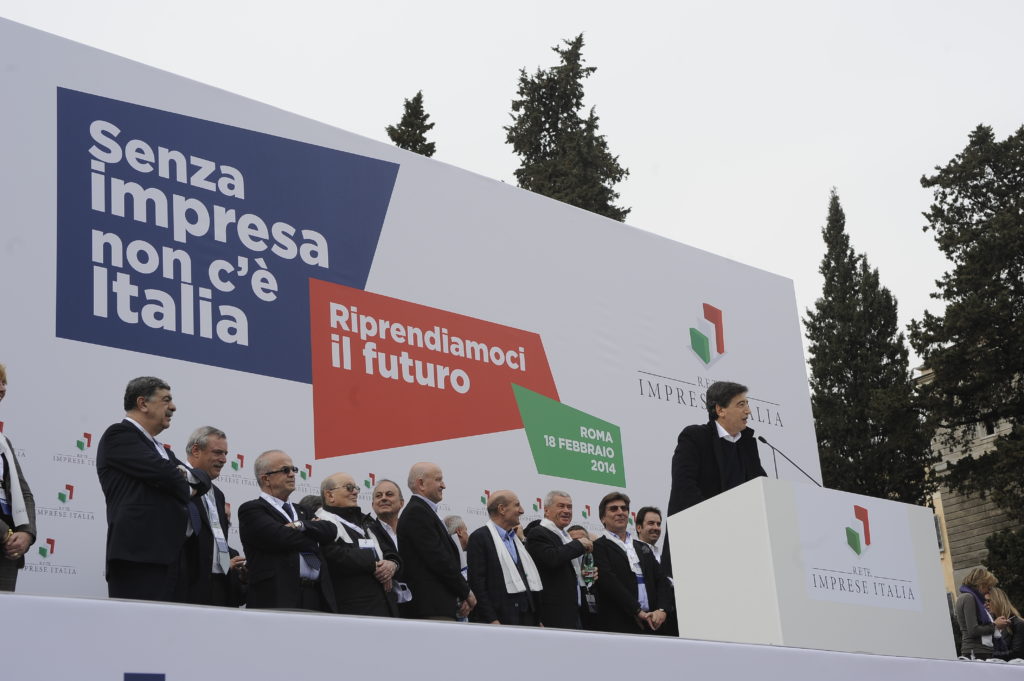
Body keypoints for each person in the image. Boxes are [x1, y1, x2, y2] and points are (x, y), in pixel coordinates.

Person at [97, 376, 211, 602]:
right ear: (143, 403)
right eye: (166, 400)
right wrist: (183, 482)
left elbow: (203, 478)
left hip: (173, 558)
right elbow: (166, 474)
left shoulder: (161, 450)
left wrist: (183, 476)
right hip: (140, 558)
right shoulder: (119, 435)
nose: (173, 407)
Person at [665, 381, 767, 575]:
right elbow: (684, 487)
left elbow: (760, 487)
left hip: (741, 547)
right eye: (741, 405)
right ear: (720, 410)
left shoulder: (748, 445)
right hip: (698, 542)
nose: (749, 411)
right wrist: (717, 521)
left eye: (747, 404)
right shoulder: (694, 437)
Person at [238, 450, 338, 612]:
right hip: (277, 597)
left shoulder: (303, 511)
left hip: (315, 595)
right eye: (285, 470)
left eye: (293, 469)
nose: (292, 474)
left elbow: (330, 531)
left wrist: (299, 525)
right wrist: (312, 534)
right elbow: (280, 537)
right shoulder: (252, 510)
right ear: (266, 478)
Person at [396, 462, 475, 620]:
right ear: (421, 484)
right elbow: (439, 560)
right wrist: (465, 592)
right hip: (430, 610)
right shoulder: (417, 513)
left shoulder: (424, 512)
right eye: (439, 480)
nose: (443, 485)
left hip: (439, 607)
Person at [316, 472, 401, 617]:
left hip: (387, 609)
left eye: (356, 487)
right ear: (330, 495)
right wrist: (374, 563)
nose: (355, 492)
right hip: (353, 611)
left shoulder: (365, 521)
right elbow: (335, 556)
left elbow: (390, 552)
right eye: (349, 488)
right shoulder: (322, 523)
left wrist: (392, 565)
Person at [181, 426, 246, 606]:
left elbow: (218, 539)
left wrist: (225, 563)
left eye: (225, 453)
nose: (224, 460)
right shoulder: (176, 482)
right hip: (186, 586)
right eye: (218, 452)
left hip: (219, 587)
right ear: (196, 450)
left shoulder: (217, 494)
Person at [592, 492, 673, 635]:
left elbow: (662, 581)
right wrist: (636, 611)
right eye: (613, 509)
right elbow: (610, 583)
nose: (620, 512)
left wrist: (662, 610)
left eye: (624, 508)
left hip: (653, 623)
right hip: (619, 624)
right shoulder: (598, 547)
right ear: (603, 518)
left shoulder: (642, 547)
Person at [466, 490, 542, 625]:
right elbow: (477, 583)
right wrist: (491, 619)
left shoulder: (515, 540)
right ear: (502, 509)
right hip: (501, 619)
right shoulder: (480, 537)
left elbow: (526, 579)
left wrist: (537, 620)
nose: (522, 511)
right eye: (517, 505)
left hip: (527, 618)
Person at [525, 490, 592, 629]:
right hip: (552, 614)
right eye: (561, 506)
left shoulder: (565, 536)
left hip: (575, 612)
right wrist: (579, 544)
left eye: (569, 507)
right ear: (547, 510)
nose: (567, 510)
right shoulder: (538, 533)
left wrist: (586, 574)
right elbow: (552, 558)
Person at [0, 363, 36, 592]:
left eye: (4, 382)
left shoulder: (3, 442)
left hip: (7, 552)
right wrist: (5, 533)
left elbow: (24, 493)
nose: (2, 388)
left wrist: (26, 533)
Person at [955, 567, 1009, 659]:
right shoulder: (969, 597)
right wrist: (995, 625)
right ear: (981, 584)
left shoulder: (969, 597)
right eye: (988, 586)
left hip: (977, 650)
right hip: (977, 651)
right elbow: (973, 630)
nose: (989, 590)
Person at [987, 587, 1024, 661]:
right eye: (984, 601)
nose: (986, 604)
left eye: (988, 601)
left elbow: (1017, 653)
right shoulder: (990, 624)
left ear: (998, 601)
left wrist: (989, 655)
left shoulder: (1018, 623)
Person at [371, 479, 404, 552]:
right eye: (378, 496)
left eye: (389, 494)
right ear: (373, 505)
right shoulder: (367, 534)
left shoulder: (412, 531)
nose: (383, 498)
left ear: (401, 503)